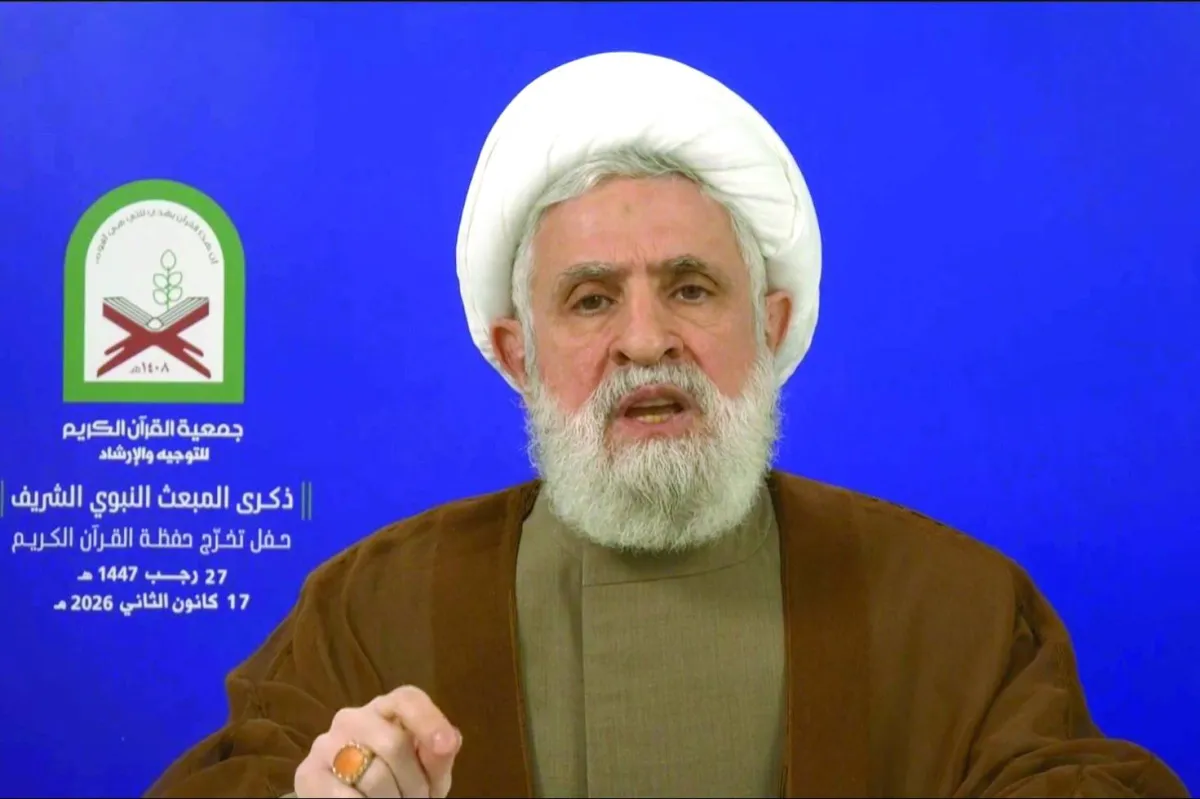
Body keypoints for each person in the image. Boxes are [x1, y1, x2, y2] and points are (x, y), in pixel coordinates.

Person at [145, 52, 1189, 799]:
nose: (645, 340)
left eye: (691, 287)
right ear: (517, 354)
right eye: (591, 299)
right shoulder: (371, 610)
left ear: (768, 325)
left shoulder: (956, 606)